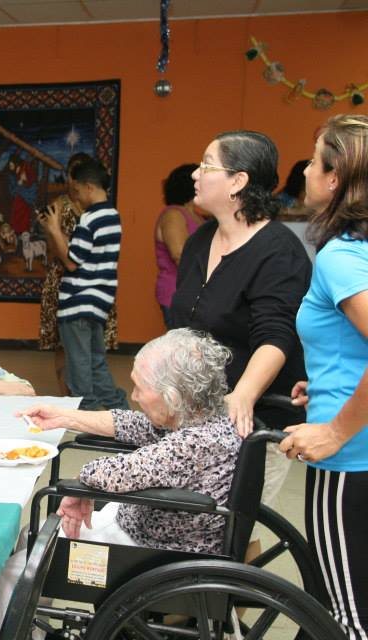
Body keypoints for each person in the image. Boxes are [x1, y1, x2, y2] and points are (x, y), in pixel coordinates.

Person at [0, 329, 239, 640]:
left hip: (151, 553)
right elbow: (131, 423)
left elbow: (114, 473)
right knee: (30, 537)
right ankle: (27, 626)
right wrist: (64, 417)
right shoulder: (204, 420)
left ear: (174, 397)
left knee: (15, 575)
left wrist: (81, 486)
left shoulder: (192, 444)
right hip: (145, 525)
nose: (134, 395)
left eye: (141, 388)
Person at [170, 131, 310, 565]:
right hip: (196, 415)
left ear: (237, 181)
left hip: (254, 418)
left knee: (229, 522)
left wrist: (242, 397)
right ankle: (215, 611)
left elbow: (276, 335)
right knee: (198, 521)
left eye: (207, 164)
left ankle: (221, 609)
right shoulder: (200, 240)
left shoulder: (278, 251)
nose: (195, 174)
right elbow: (186, 324)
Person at [279, 114, 368, 640]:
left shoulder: (340, 257)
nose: (307, 171)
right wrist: (327, 379)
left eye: (314, 162)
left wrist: (335, 429)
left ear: (335, 179)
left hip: (350, 460)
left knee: (345, 618)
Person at [40, 158, 127, 410]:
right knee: (96, 362)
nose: (75, 198)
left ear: (89, 187)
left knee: (77, 366)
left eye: (76, 191)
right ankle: (119, 410)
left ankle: (85, 416)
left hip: (77, 303)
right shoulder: (112, 215)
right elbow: (85, 252)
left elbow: (71, 262)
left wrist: (54, 229)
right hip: (98, 303)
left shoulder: (89, 217)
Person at [154, 163, 202, 327]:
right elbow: (179, 255)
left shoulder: (197, 216)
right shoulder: (174, 214)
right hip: (177, 293)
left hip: (195, 294)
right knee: (183, 348)